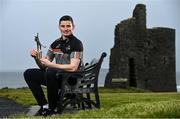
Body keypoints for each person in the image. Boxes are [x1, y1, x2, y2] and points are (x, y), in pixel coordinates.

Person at [24, 15, 83, 116]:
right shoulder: (55, 44)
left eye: (68, 26)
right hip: (55, 77)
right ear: (59, 27)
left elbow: (73, 67)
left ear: (73, 26)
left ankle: (52, 108)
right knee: (29, 73)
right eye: (63, 26)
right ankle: (44, 106)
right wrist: (37, 58)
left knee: (51, 71)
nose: (66, 29)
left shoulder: (76, 43)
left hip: (70, 79)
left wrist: (51, 65)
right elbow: (43, 66)